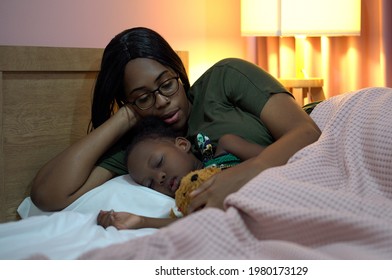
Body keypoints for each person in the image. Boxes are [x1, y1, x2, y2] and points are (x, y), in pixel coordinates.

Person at [30, 26, 321, 215]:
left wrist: (246, 173)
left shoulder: (224, 78)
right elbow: (47, 194)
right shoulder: (143, 150)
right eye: (143, 97)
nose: (161, 101)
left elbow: (307, 132)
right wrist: (126, 116)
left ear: (177, 72)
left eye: (166, 85)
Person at [97, 116, 264, 229]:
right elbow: (189, 224)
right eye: (150, 184)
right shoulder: (189, 200)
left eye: (159, 162)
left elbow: (277, 159)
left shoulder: (227, 145)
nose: (159, 178)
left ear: (182, 145)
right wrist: (140, 221)